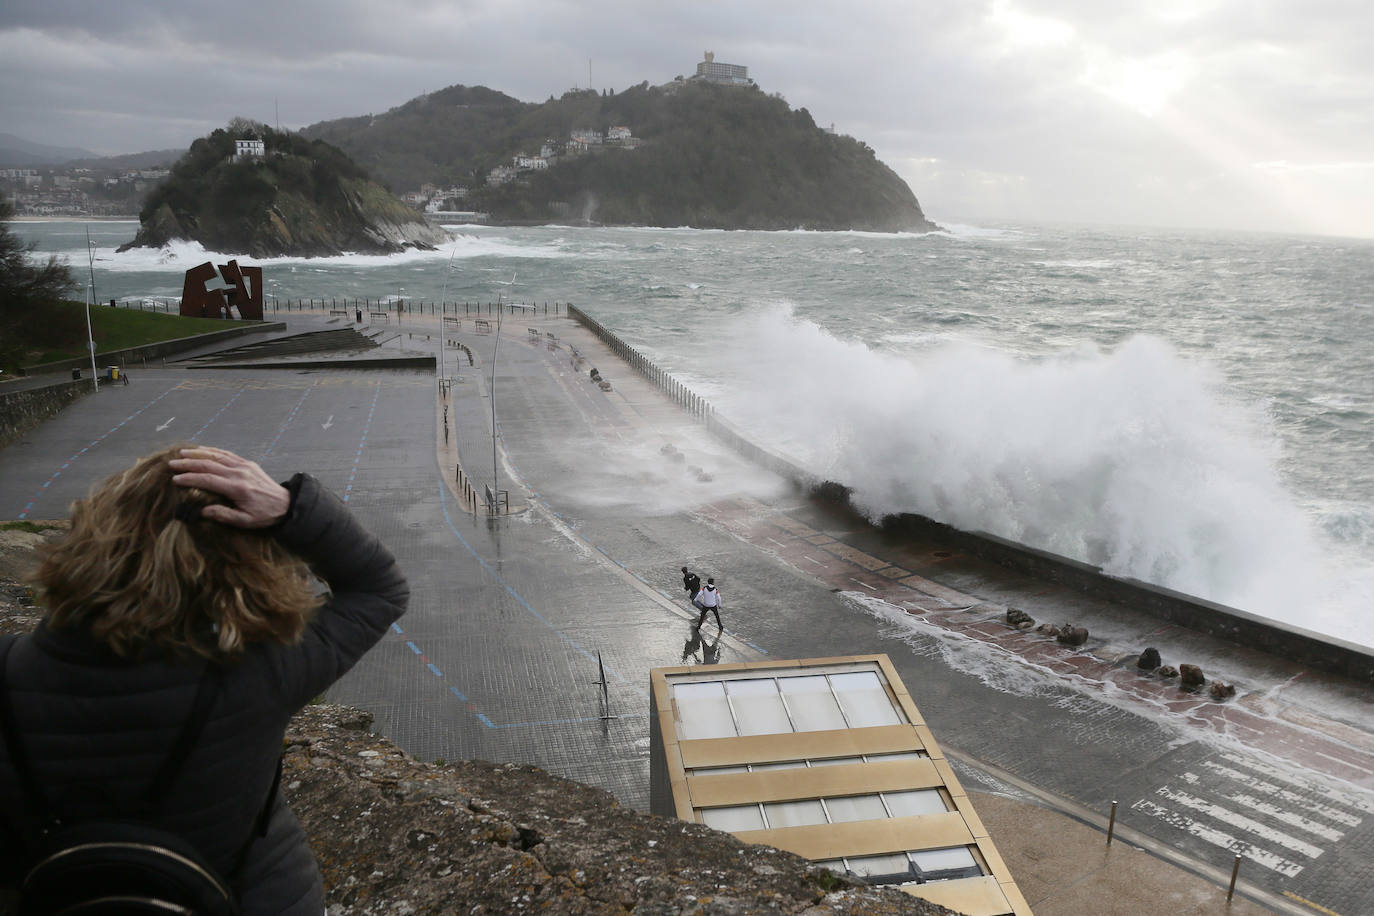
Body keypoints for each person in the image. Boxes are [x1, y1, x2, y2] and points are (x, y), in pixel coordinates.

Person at [0, 445, 409, 914]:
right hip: (245, 898)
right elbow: (379, 587)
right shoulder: (261, 673)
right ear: (238, 560)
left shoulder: (9, 670)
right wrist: (289, 509)